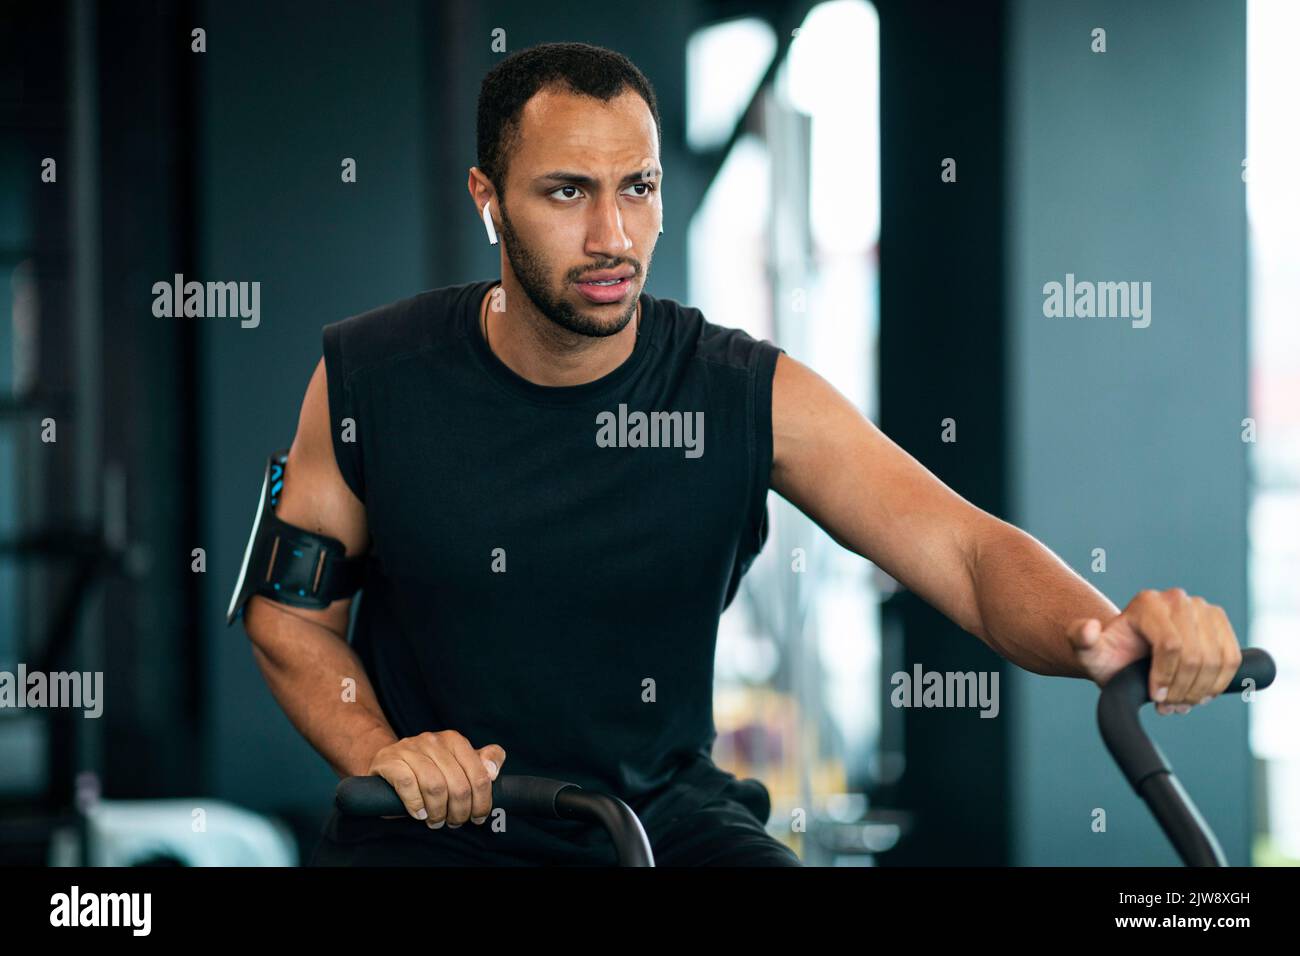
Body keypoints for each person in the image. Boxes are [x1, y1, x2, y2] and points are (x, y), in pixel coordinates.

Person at [240, 42, 1242, 867]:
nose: (610, 233)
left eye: (637, 187)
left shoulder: (739, 389)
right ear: (487, 198)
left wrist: (1100, 632)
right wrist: (389, 753)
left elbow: (967, 553)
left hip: (661, 822)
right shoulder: (371, 373)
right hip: (435, 832)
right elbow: (290, 619)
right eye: (565, 192)